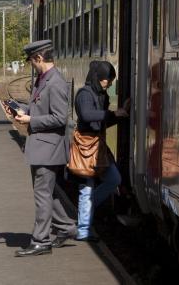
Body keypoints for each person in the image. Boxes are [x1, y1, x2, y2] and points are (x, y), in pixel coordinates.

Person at [13, 40, 77, 257]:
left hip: (47, 148)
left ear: (39, 58)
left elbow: (60, 118)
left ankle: (41, 240)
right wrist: (20, 110)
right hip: (42, 147)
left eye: (32, 61)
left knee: (42, 195)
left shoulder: (55, 83)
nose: (31, 65)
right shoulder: (44, 80)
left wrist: (31, 120)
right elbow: (38, 107)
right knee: (49, 193)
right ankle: (67, 226)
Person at [73, 61, 129, 241]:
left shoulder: (101, 95)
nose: (109, 84)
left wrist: (121, 115)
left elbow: (101, 121)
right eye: (107, 81)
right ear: (98, 78)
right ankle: (83, 230)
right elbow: (87, 116)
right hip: (86, 145)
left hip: (99, 145)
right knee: (86, 187)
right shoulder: (84, 94)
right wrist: (113, 114)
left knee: (114, 179)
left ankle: (86, 210)